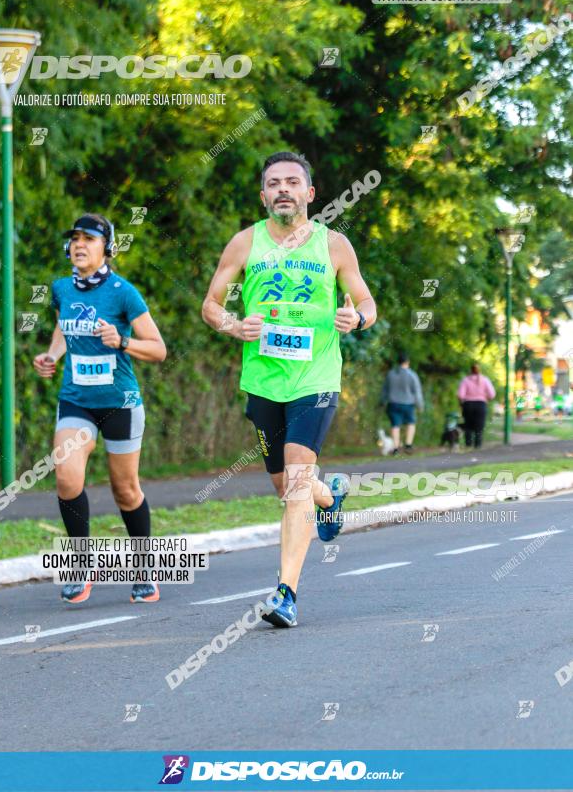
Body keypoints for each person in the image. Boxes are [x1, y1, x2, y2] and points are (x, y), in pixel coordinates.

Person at [202, 151, 376, 627]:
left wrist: (356, 317)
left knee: (296, 476)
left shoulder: (334, 245)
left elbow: (366, 300)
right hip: (263, 379)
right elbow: (212, 304)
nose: (283, 189)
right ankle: (329, 496)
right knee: (287, 487)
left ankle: (286, 594)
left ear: (309, 194)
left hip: (316, 378)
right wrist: (233, 326)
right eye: (274, 183)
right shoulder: (244, 243)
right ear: (263, 195)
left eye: (292, 182)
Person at [33, 213, 167, 604]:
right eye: (74, 238)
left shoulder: (124, 293)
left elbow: (158, 349)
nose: (79, 245)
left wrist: (121, 341)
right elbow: (64, 324)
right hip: (77, 399)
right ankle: (81, 566)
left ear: (106, 248)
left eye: (88, 239)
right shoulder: (61, 289)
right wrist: (53, 355)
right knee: (66, 477)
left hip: (120, 402)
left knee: (125, 490)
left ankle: (143, 568)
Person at [380, 353, 424, 454]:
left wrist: (382, 402)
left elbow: (385, 391)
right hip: (408, 404)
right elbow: (417, 392)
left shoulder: (390, 374)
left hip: (393, 403)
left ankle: (395, 448)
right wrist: (420, 405)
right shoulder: (412, 375)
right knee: (411, 423)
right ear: (407, 362)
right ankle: (408, 445)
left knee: (395, 425)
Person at [457, 364, 495, 449]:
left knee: (468, 426)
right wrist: (485, 398)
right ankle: (478, 446)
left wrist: (461, 403)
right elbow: (492, 394)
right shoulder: (485, 380)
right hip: (481, 405)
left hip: (468, 405)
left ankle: (468, 445)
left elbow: (460, 395)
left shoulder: (465, 380)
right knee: (479, 427)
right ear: (479, 370)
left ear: (471, 371)